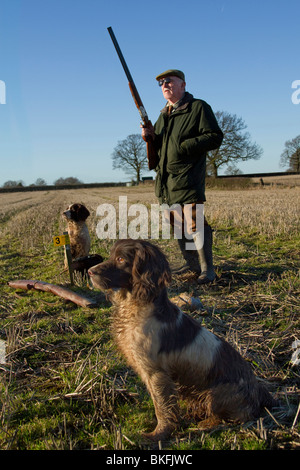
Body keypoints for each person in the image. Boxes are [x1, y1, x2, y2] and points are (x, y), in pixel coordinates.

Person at [142, 69, 223, 284]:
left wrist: (185, 145)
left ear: (183, 85)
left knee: (195, 222)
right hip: (167, 182)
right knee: (178, 225)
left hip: (188, 177)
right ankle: (192, 264)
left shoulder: (198, 108)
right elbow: (160, 149)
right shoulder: (163, 116)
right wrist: (150, 137)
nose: (165, 85)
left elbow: (215, 137)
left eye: (169, 81)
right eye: (161, 83)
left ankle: (207, 269)